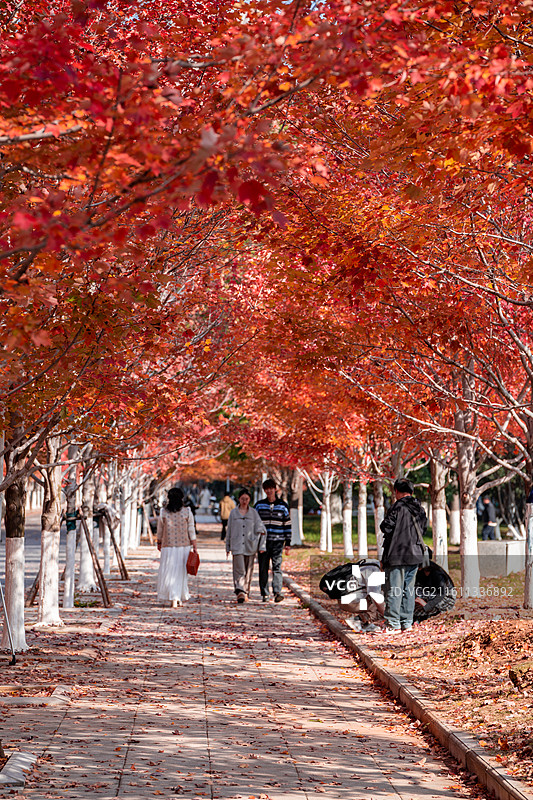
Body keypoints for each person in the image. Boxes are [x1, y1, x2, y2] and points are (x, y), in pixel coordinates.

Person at [380, 478, 427, 633]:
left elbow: (386, 527)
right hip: (415, 555)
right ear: (411, 491)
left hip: (397, 555)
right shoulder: (419, 508)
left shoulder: (397, 507)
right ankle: (406, 623)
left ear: (396, 491)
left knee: (394, 589)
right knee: (408, 590)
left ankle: (393, 623)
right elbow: (424, 529)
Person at [156, 487, 197, 608]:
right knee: (180, 572)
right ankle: (177, 596)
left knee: (169, 571)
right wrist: (194, 545)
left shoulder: (163, 512)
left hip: (168, 546)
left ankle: (174, 597)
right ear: (181, 498)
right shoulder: (187, 511)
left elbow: (160, 530)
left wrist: (159, 542)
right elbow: (191, 529)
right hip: (184, 546)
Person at [226, 489, 266, 603]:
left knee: (248, 571)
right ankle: (240, 591)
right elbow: (229, 530)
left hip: (250, 545)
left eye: (247, 499)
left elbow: (262, 529)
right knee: (239, 570)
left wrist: (261, 546)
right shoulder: (233, 513)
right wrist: (228, 546)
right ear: (239, 499)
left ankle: (246, 592)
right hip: (237, 545)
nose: (244, 501)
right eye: (242, 499)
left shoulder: (254, 513)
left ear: (249, 500)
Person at [255, 479, 292, 603]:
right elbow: (254, 523)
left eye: (271, 488)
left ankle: (277, 592)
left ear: (275, 489)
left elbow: (287, 524)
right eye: (266, 489)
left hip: (278, 541)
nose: (269, 491)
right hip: (263, 543)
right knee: (263, 568)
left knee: (277, 567)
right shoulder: (259, 505)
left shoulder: (283, 505)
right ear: (264, 490)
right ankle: (265, 593)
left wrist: (288, 542)